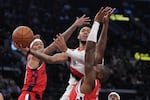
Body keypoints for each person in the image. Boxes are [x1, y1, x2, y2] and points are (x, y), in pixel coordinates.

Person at [16, 15, 90, 100]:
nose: (40, 45)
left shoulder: (38, 58)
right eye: (36, 44)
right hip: (29, 95)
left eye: (41, 44)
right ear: (31, 49)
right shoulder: (34, 57)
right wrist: (74, 25)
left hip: (35, 96)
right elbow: (55, 45)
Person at [54, 7, 115, 99]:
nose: (86, 32)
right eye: (83, 31)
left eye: (89, 32)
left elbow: (100, 45)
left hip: (88, 89)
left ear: (92, 36)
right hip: (72, 89)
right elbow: (48, 58)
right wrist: (33, 52)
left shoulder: (94, 54)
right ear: (78, 36)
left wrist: (104, 25)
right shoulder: (72, 53)